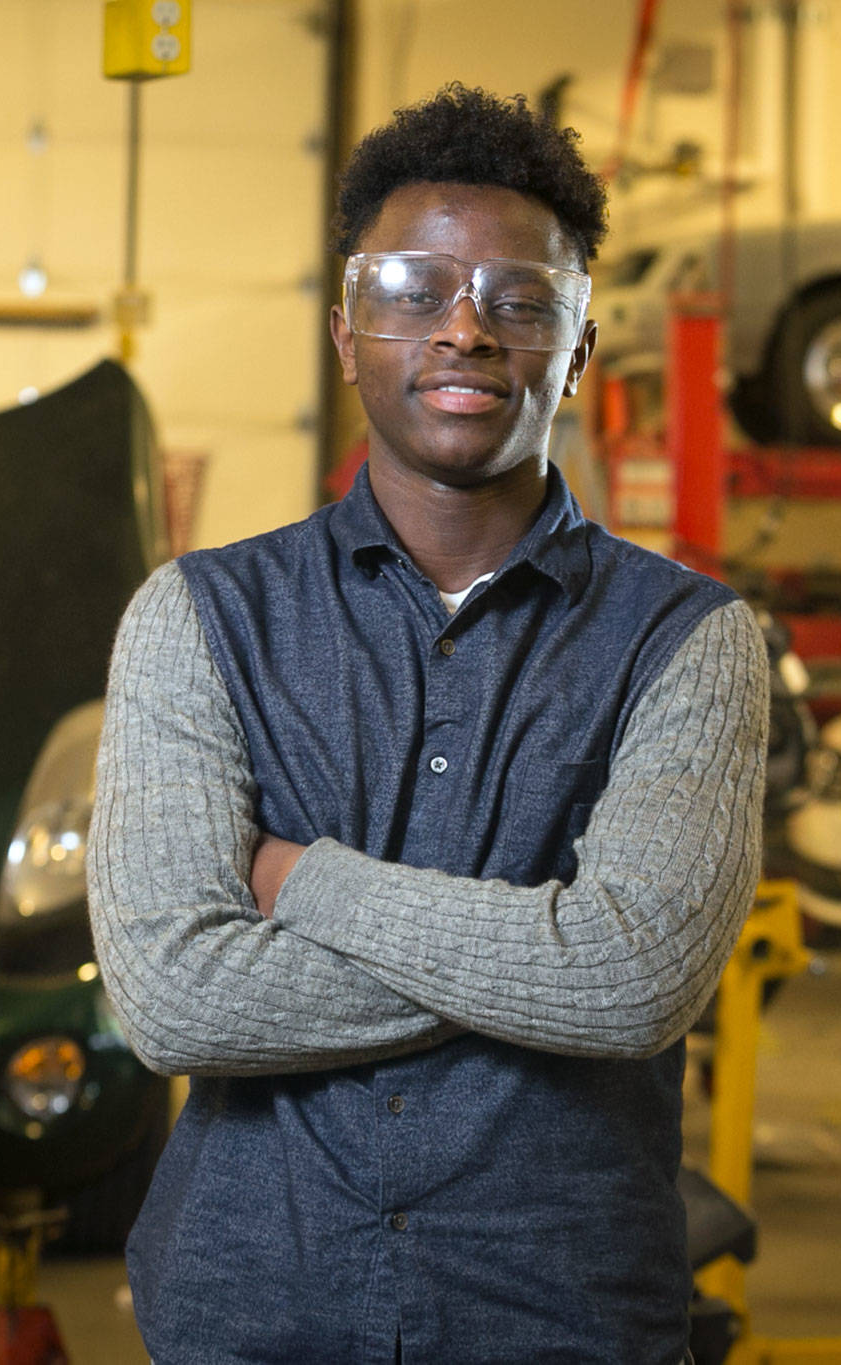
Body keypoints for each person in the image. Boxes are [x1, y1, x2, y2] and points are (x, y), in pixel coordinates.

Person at [87, 84, 769, 1365]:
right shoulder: (196, 618)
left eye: (520, 301)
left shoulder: (688, 640)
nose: (464, 330)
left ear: (574, 349)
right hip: (254, 1309)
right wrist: (540, 953)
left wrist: (305, 883)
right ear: (346, 330)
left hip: (561, 1317)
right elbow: (173, 1005)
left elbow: (632, 985)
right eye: (413, 289)